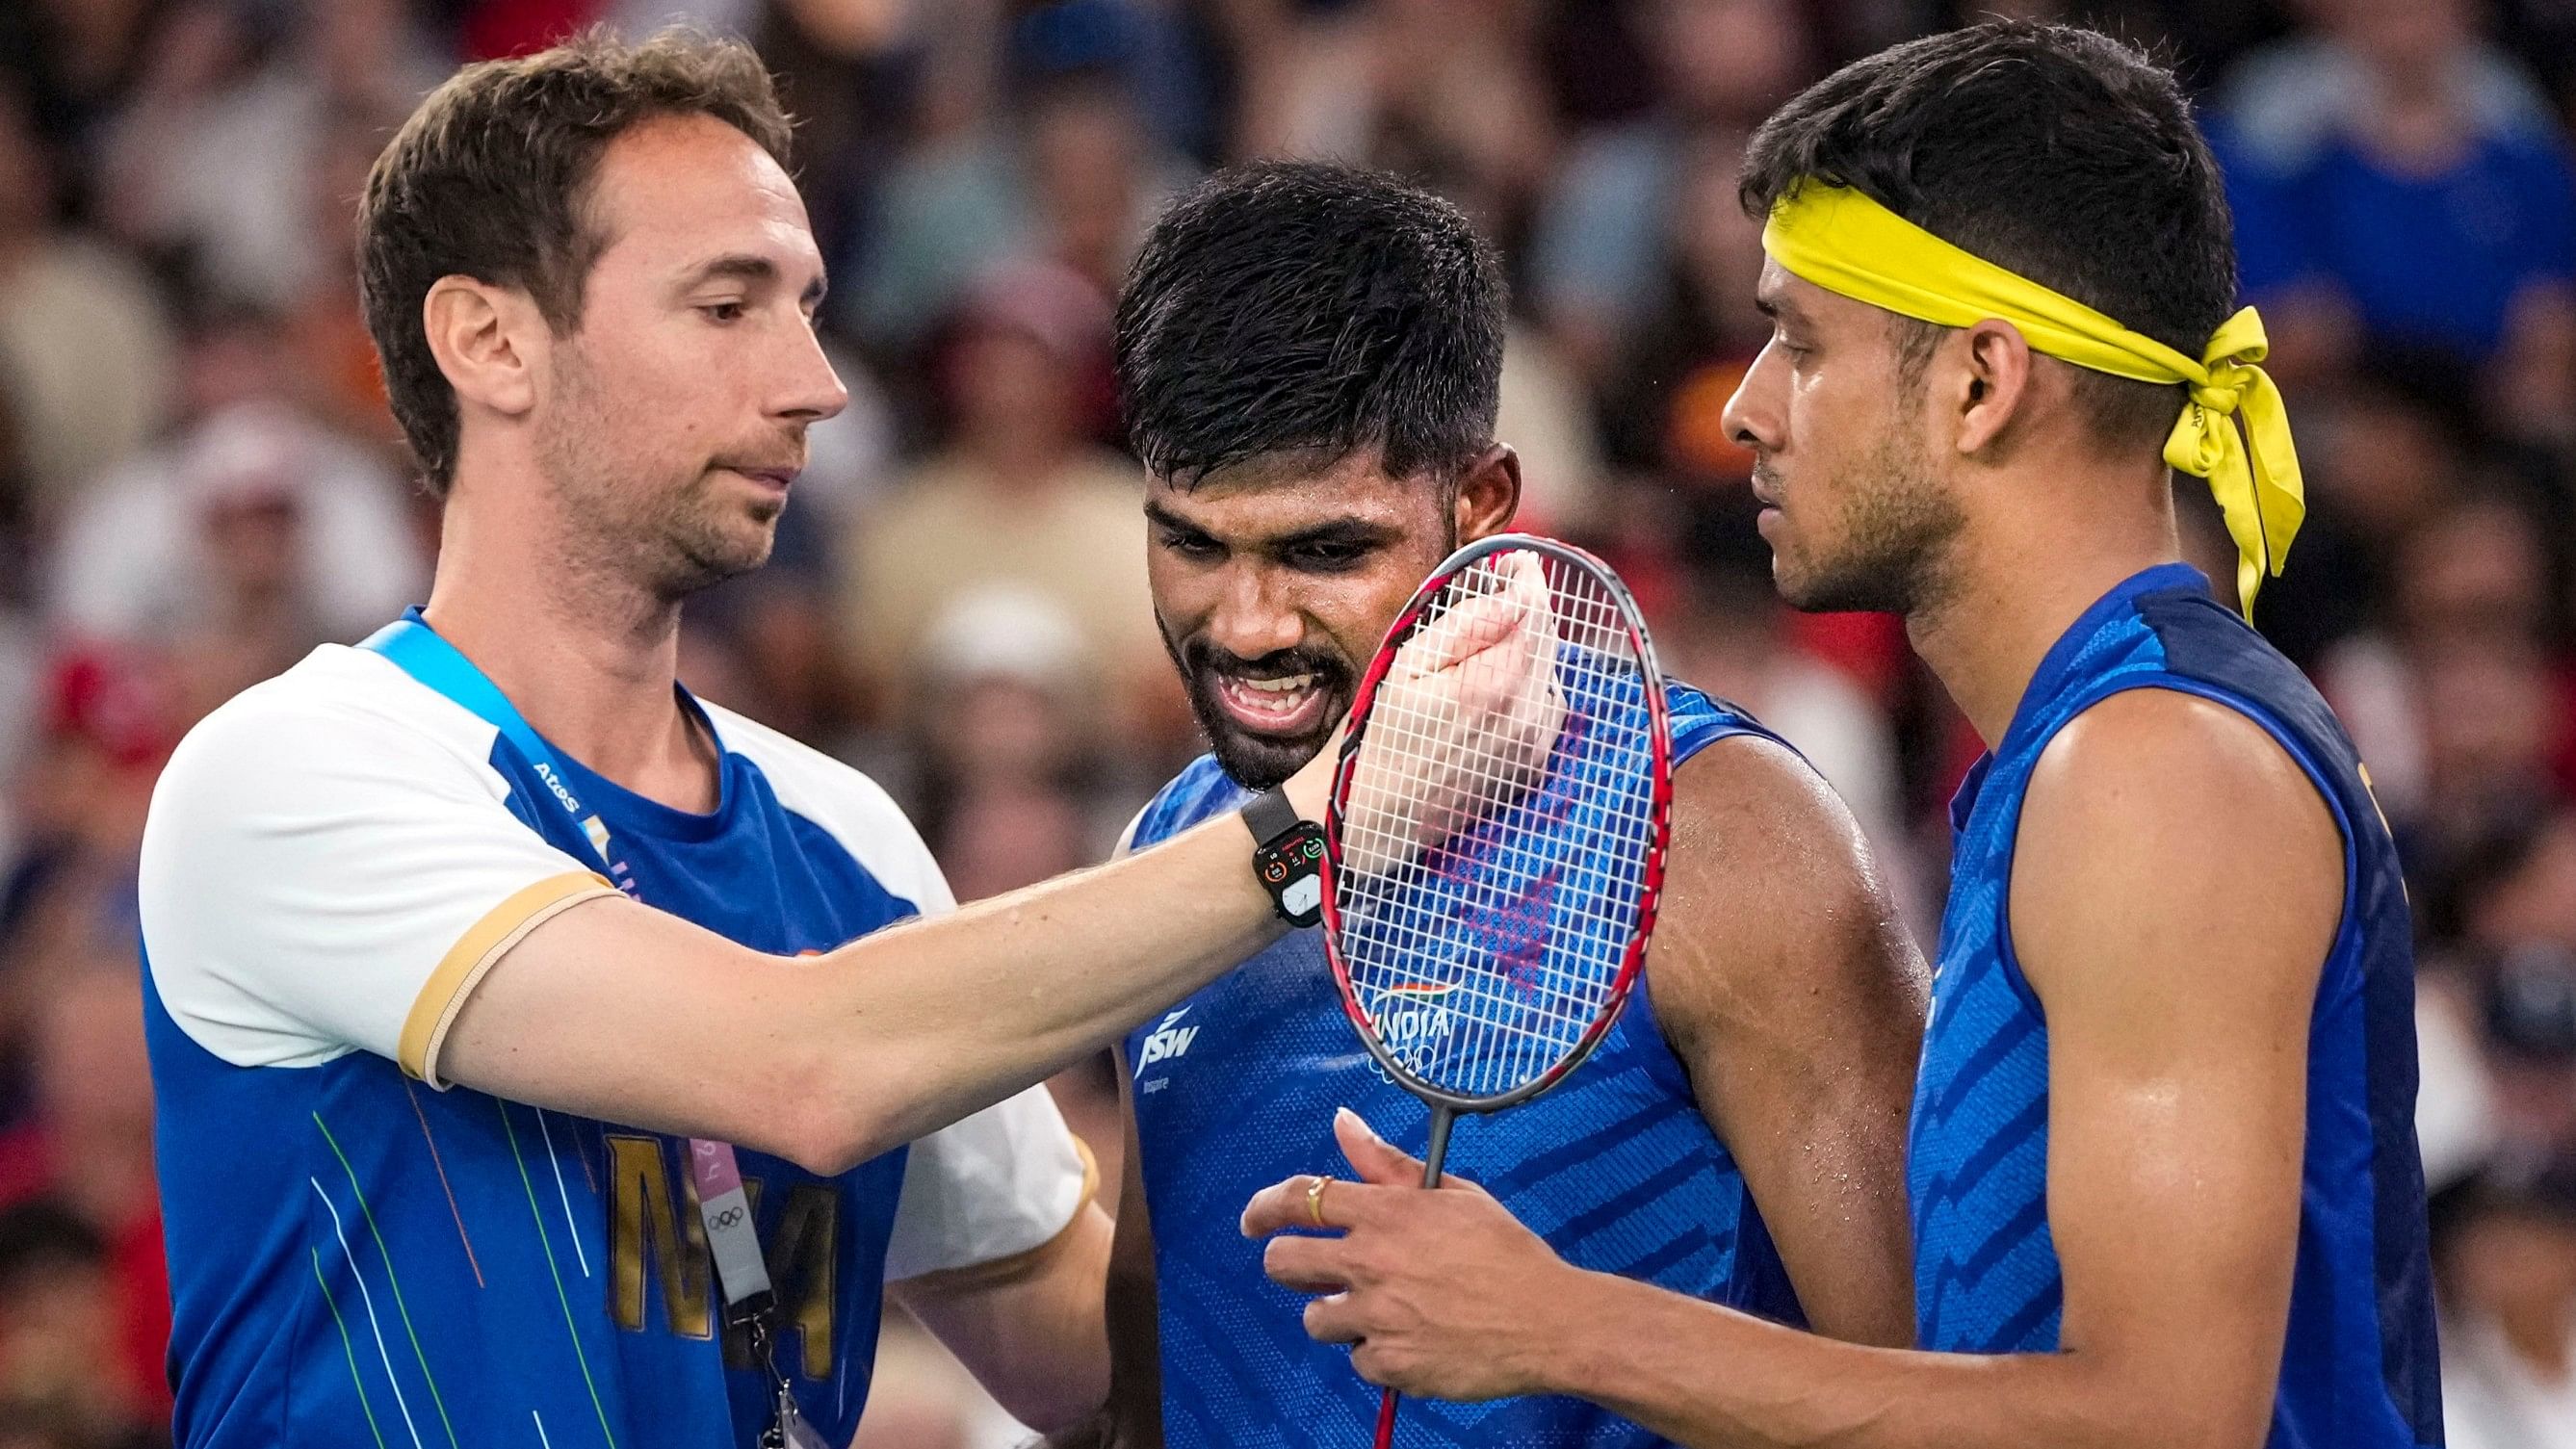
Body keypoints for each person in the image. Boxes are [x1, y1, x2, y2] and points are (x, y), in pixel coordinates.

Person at [135, 32, 1540, 1449]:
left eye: (806, 303)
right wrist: (1325, 822)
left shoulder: (845, 838)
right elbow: (803, 1070)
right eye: (729, 304)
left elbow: (1117, 1385)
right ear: (491, 341)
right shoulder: (296, 773)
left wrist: (1514, 1282)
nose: (818, 380)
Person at [1242, 22, 2441, 1449]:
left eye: (1801, 343)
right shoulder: (2092, 745)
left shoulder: (2153, 769)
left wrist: (1567, 1323)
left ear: (1983, 384)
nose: (1747, 408)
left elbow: (2159, 1426)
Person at [1095, 161, 1928, 1448]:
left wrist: (1565, 1326)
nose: (1247, 627)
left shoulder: (1721, 838)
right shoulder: (1174, 849)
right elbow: (1150, 1380)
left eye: (1325, 550)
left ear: (1480, 504)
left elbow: (1937, 1401)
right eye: (1194, 543)